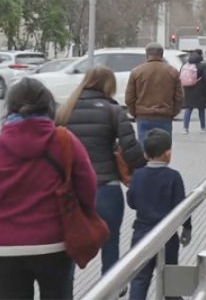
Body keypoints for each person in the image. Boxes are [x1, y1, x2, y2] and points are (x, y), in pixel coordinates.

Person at [0, 77, 96, 300]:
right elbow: (88, 188)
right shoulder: (65, 141)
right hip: (54, 244)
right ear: (48, 106)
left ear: (9, 107)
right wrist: (80, 215)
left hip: (5, 249)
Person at [55, 66, 145, 276]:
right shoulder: (113, 110)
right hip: (106, 188)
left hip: (71, 191)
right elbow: (130, 149)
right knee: (110, 242)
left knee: (68, 245)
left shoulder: (64, 110)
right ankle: (109, 290)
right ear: (108, 85)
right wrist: (145, 168)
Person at [127, 129, 191, 300]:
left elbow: (132, 202)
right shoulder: (173, 177)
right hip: (167, 235)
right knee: (170, 277)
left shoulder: (137, 175)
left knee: (140, 278)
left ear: (145, 154)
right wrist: (187, 228)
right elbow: (181, 206)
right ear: (168, 153)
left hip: (142, 233)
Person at [125, 42, 184, 142]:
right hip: (164, 116)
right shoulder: (172, 72)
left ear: (147, 54)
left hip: (143, 116)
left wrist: (135, 113)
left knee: (145, 151)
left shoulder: (136, 72)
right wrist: (173, 112)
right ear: (162, 54)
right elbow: (179, 97)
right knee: (163, 151)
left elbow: (129, 98)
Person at [181, 49, 206, 134]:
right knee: (201, 109)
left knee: (188, 108)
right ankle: (203, 127)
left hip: (188, 89)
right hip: (200, 90)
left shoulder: (185, 65)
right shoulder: (202, 66)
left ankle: (185, 128)